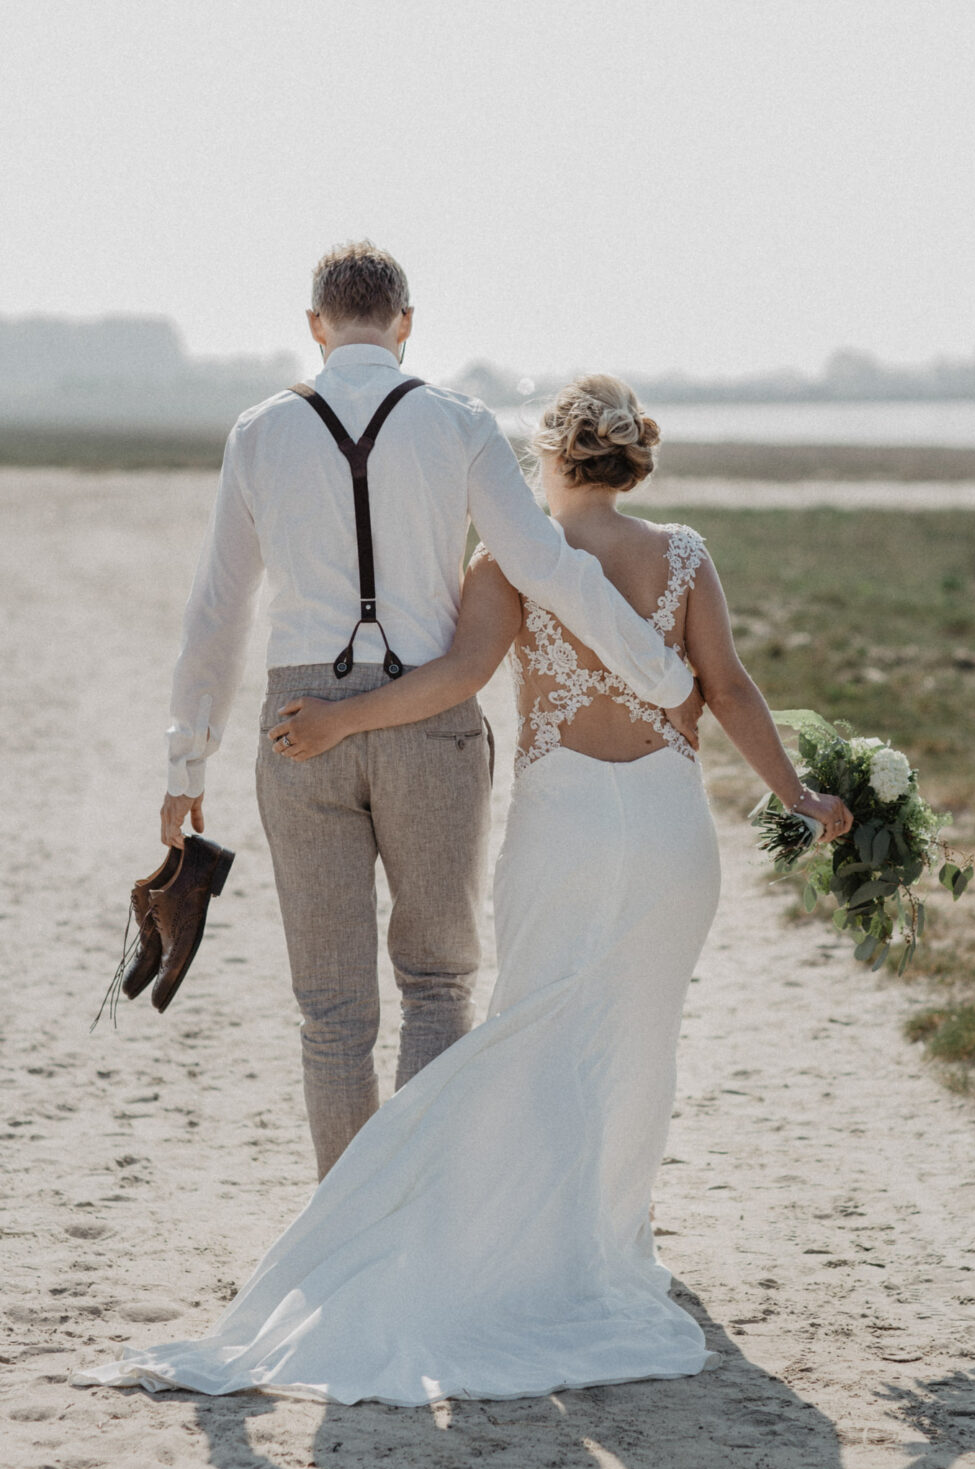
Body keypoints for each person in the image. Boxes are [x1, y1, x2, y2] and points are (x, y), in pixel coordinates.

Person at [75, 376, 851, 1405]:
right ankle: (612, 1241)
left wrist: (342, 722)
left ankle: (515, 1234)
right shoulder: (684, 556)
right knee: (641, 1035)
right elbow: (732, 688)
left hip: (565, 824)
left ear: (552, 457)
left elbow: (455, 678)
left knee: (533, 1024)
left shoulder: (512, 563)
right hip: (668, 827)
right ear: (635, 460)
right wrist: (801, 795)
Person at [158, 241, 701, 1181]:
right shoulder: (458, 421)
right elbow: (543, 564)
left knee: (330, 1010)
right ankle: (417, 1231)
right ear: (406, 323)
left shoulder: (258, 431)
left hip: (302, 724)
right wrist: (657, 671)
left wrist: (184, 767)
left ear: (317, 326)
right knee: (438, 985)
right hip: (429, 718)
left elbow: (217, 608)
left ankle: (343, 1238)